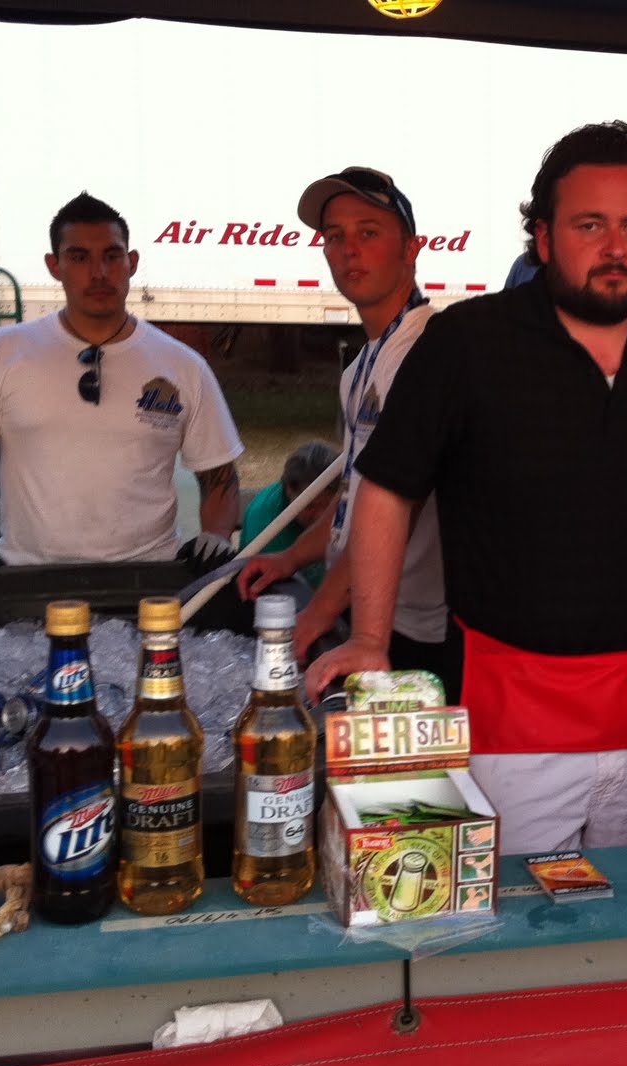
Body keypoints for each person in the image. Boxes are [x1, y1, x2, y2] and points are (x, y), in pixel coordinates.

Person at [306, 120, 627, 854]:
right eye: (591, 224)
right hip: (515, 728)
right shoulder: (466, 344)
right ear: (543, 238)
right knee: (514, 939)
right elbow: (387, 491)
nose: (616, 246)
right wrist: (368, 638)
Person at [0, 192, 243, 574]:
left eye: (112, 255)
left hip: (149, 579)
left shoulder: (183, 367)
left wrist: (217, 536)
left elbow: (218, 474)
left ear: (131, 263)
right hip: (26, 579)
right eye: (79, 257)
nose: (99, 272)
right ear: (54, 266)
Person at [235, 167, 456, 696]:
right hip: (370, 615)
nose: (349, 249)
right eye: (335, 237)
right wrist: (291, 556)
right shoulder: (360, 368)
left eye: (369, 232)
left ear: (411, 249)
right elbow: (355, 505)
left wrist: (318, 610)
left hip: (419, 632)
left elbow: (401, 505)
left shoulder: (432, 350)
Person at [239, 439, 339, 589]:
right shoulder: (266, 526)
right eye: (310, 506)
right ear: (288, 490)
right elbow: (271, 592)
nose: (320, 516)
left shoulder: (348, 501)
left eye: (330, 506)